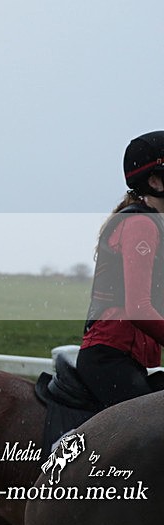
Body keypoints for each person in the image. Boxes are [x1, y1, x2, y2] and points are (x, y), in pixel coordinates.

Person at [76, 131, 164, 410]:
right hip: (110, 358)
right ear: (154, 181)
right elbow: (139, 306)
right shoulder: (142, 225)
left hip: (130, 359)